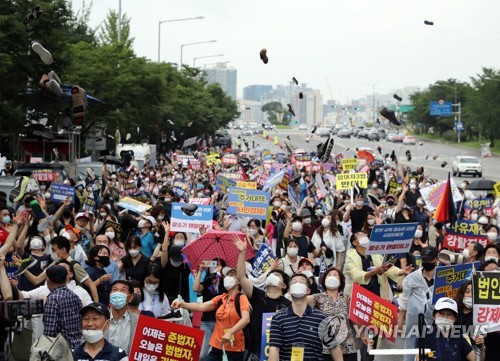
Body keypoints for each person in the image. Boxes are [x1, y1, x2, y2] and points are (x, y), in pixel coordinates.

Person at [171, 267, 250, 361]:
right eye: (227, 275)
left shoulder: (241, 298)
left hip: (234, 349)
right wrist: (183, 304)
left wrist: (230, 332)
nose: (228, 277)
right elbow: (201, 306)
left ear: (239, 281)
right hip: (217, 347)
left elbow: (246, 319)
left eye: (232, 275)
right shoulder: (221, 298)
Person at [234, 237, 291, 359]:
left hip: (279, 354)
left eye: (276, 275)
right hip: (255, 352)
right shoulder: (258, 296)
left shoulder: (289, 304)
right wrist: (242, 253)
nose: (272, 276)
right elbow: (241, 277)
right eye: (270, 275)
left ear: (284, 285)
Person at [268, 273, 343, 361]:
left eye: (302, 281)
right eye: (294, 282)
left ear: (308, 290)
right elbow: (274, 350)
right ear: (289, 290)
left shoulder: (320, 317)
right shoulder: (278, 318)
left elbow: (334, 347)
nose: (298, 284)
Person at [307, 267, 360, 361]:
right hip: (325, 348)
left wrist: (362, 335)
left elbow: (354, 319)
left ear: (340, 281)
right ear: (324, 280)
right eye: (329, 275)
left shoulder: (347, 298)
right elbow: (300, 301)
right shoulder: (317, 297)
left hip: (347, 347)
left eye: (335, 275)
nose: (332, 277)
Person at [22, 236, 99, 302]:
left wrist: (96, 304)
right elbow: (36, 280)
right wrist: (22, 269)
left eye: (54, 250)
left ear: (63, 250)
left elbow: (91, 284)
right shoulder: (54, 263)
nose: (52, 253)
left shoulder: (74, 265)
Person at [398, 247, 439, 361]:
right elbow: (404, 299)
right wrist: (400, 319)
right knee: (411, 341)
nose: (426, 263)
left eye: (429, 260)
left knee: (434, 344)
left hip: (435, 317)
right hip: (414, 316)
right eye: (424, 260)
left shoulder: (443, 277)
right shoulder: (411, 278)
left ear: (436, 259)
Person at [43, 265, 83, 349]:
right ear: (66, 278)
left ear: (48, 279)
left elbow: (49, 332)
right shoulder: (75, 296)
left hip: (61, 350)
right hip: (78, 347)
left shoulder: (53, 299)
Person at [193, 259, 225, 361]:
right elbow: (196, 288)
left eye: (218, 265)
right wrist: (200, 271)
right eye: (213, 264)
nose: (215, 267)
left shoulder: (225, 282)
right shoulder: (207, 281)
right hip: (206, 322)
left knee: (220, 355)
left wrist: (222, 274)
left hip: (222, 323)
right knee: (202, 355)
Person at [107, 280, 138, 354]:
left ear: (130, 298)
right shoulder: (100, 318)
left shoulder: (138, 322)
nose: (118, 293)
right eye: (115, 289)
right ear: (110, 295)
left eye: (123, 290)